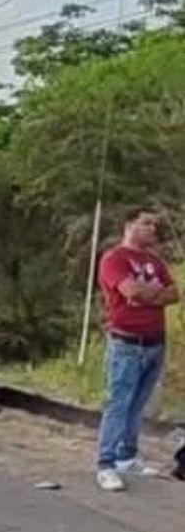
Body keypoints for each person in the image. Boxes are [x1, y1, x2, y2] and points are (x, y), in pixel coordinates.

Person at [94, 207, 179, 492]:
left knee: (138, 404)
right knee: (118, 403)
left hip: (155, 341)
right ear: (129, 225)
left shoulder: (154, 261)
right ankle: (105, 464)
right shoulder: (114, 259)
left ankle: (126, 457)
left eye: (154, 224)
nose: (153, 229)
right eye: (146, 223)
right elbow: (131, 291)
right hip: (126, 343)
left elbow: (173, 293)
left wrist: (146, 295)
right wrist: (149, 293)